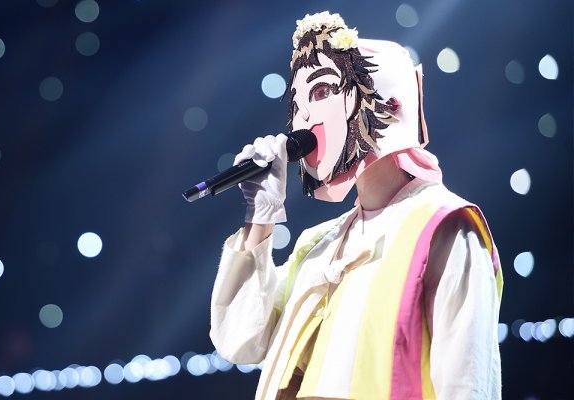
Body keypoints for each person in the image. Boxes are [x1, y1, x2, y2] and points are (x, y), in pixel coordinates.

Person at [210, 11, 503, 400]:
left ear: (386, 101)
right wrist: (261, 216)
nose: (303, 117)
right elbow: (241, 340)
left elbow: (468, 383)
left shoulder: (445, 227)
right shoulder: (317, 246)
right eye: (297, 101)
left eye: (321, 91)